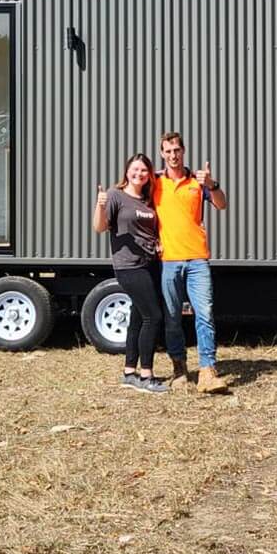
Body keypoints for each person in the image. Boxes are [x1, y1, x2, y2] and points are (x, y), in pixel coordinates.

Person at [154, 131, 229, 393]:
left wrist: (212, 184)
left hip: (197, 259)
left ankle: (208, 371)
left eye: (176, 150)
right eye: (168, 151)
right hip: (168, 260)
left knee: (204, 314)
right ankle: (179, 369)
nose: (173, 155)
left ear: (183, 151)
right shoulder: (155, 182)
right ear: (162, 154)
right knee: (172, 317)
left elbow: (222, 204)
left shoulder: (198, 181)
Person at [92, 153, 168, 394]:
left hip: (151, 264)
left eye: (144, 170)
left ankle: (128, 372)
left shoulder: (148, 199)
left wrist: (158, 242)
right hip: (128, 266)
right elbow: (99, 227)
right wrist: (100, 205)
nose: (139, 174)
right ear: (127, 171)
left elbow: (152, 229)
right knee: (153, 317)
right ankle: (146, 375)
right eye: (135, 169)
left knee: (138, 317)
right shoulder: (115, 195)